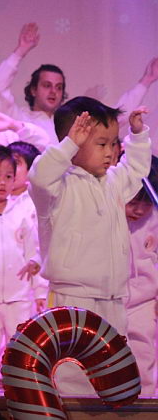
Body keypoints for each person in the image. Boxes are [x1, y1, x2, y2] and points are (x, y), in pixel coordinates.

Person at [29, 96, 151, 394]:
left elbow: (135, 171)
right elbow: (39, 178)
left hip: (112, 296)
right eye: (101, 144)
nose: (110, 152)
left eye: (113, 143)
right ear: (75, 141)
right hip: (74, 295)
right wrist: (68, 145)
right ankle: (72, 411)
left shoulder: (112, 182)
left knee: (110, 370)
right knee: (71, 371)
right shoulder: (59, 186)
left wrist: (137, 136)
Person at [0, 23, 158, 144]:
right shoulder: (18, 117)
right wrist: (20, 52)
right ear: (33, 90)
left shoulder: (70, 123)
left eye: (59, 87)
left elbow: (115, 117)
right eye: (47, 85)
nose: (53, 92)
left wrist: (146, 80)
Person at [0, 145, 46, 393]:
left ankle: (24, 392)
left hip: (19, 295)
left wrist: (39, 290)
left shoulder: (22, 212)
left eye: (8, 176)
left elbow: (33, 250)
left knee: (22, 346)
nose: (2, 182)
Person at [124, 157, 158, 396]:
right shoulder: (109, 214)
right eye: (134, 202)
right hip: (109, 298)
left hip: (144, 301)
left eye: (145, 204)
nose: (139, 210)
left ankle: (146, 402)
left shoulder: (155, 219)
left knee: (143, 354)